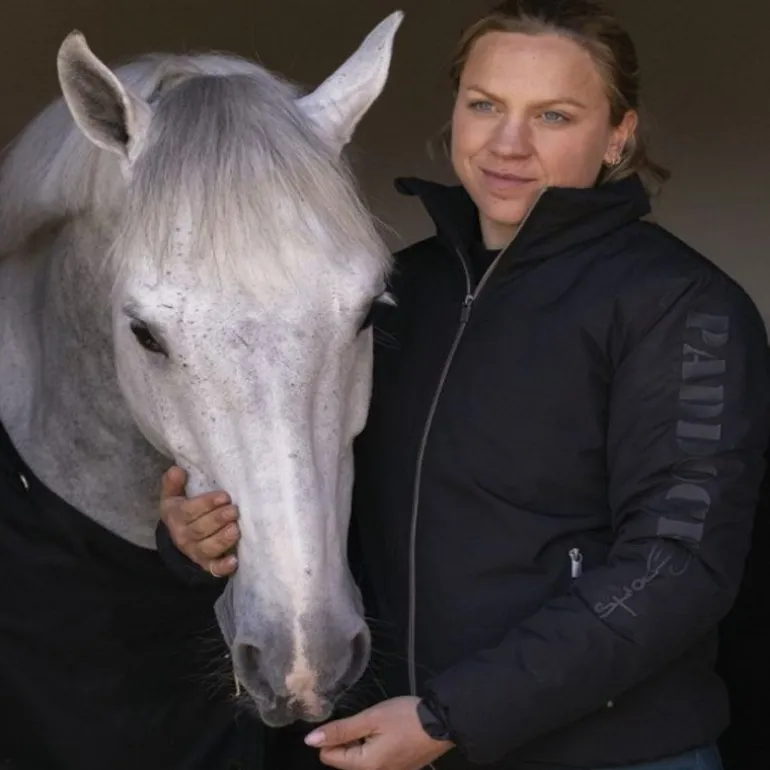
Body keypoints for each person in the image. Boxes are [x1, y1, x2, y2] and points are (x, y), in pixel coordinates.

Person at [157, 1, 770, 769]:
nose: (508, 143)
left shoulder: (684, 307)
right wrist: (199, 539)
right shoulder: (389, 295)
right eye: (485, 105)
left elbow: (678, 568)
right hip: (405, 746)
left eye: (553, 115)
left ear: (619, 135)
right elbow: (310, 491)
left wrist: (451, 716)